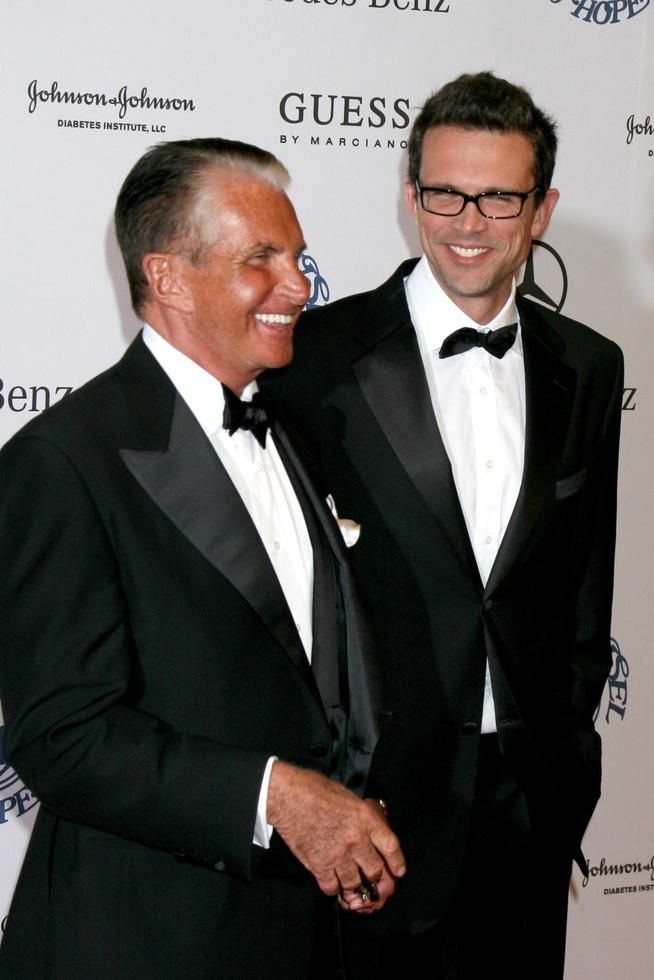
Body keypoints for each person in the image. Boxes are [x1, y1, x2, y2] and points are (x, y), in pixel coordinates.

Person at [0, 138, 406, 980]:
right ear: (169, 278)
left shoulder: (289, 427)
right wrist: (274, 796)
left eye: (297, 256)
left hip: (301, 932)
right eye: (262, 258)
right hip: (148, 940)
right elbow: (62, 736)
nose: (299, 286)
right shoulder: (64, 460)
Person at [265, 72, 623, 979]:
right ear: (410, 193)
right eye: (445, 193)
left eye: (499, 197)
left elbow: (585, 588)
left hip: (530, 807)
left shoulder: (588, 365)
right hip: (373, 810)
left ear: (541, 209)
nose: (467, 222)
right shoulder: (314, 361)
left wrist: (567, 762)